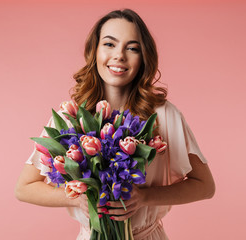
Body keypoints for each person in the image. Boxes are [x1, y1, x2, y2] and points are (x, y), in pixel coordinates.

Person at [15, 9, 215, 240]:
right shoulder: (70, 116)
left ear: (143, 57)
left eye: (132, 48)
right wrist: (78, 197)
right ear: (95, 51)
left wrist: (145, 197)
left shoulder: (162, 115)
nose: (119, 56)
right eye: (109, 44)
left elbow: (205, 186)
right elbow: (24, 188)